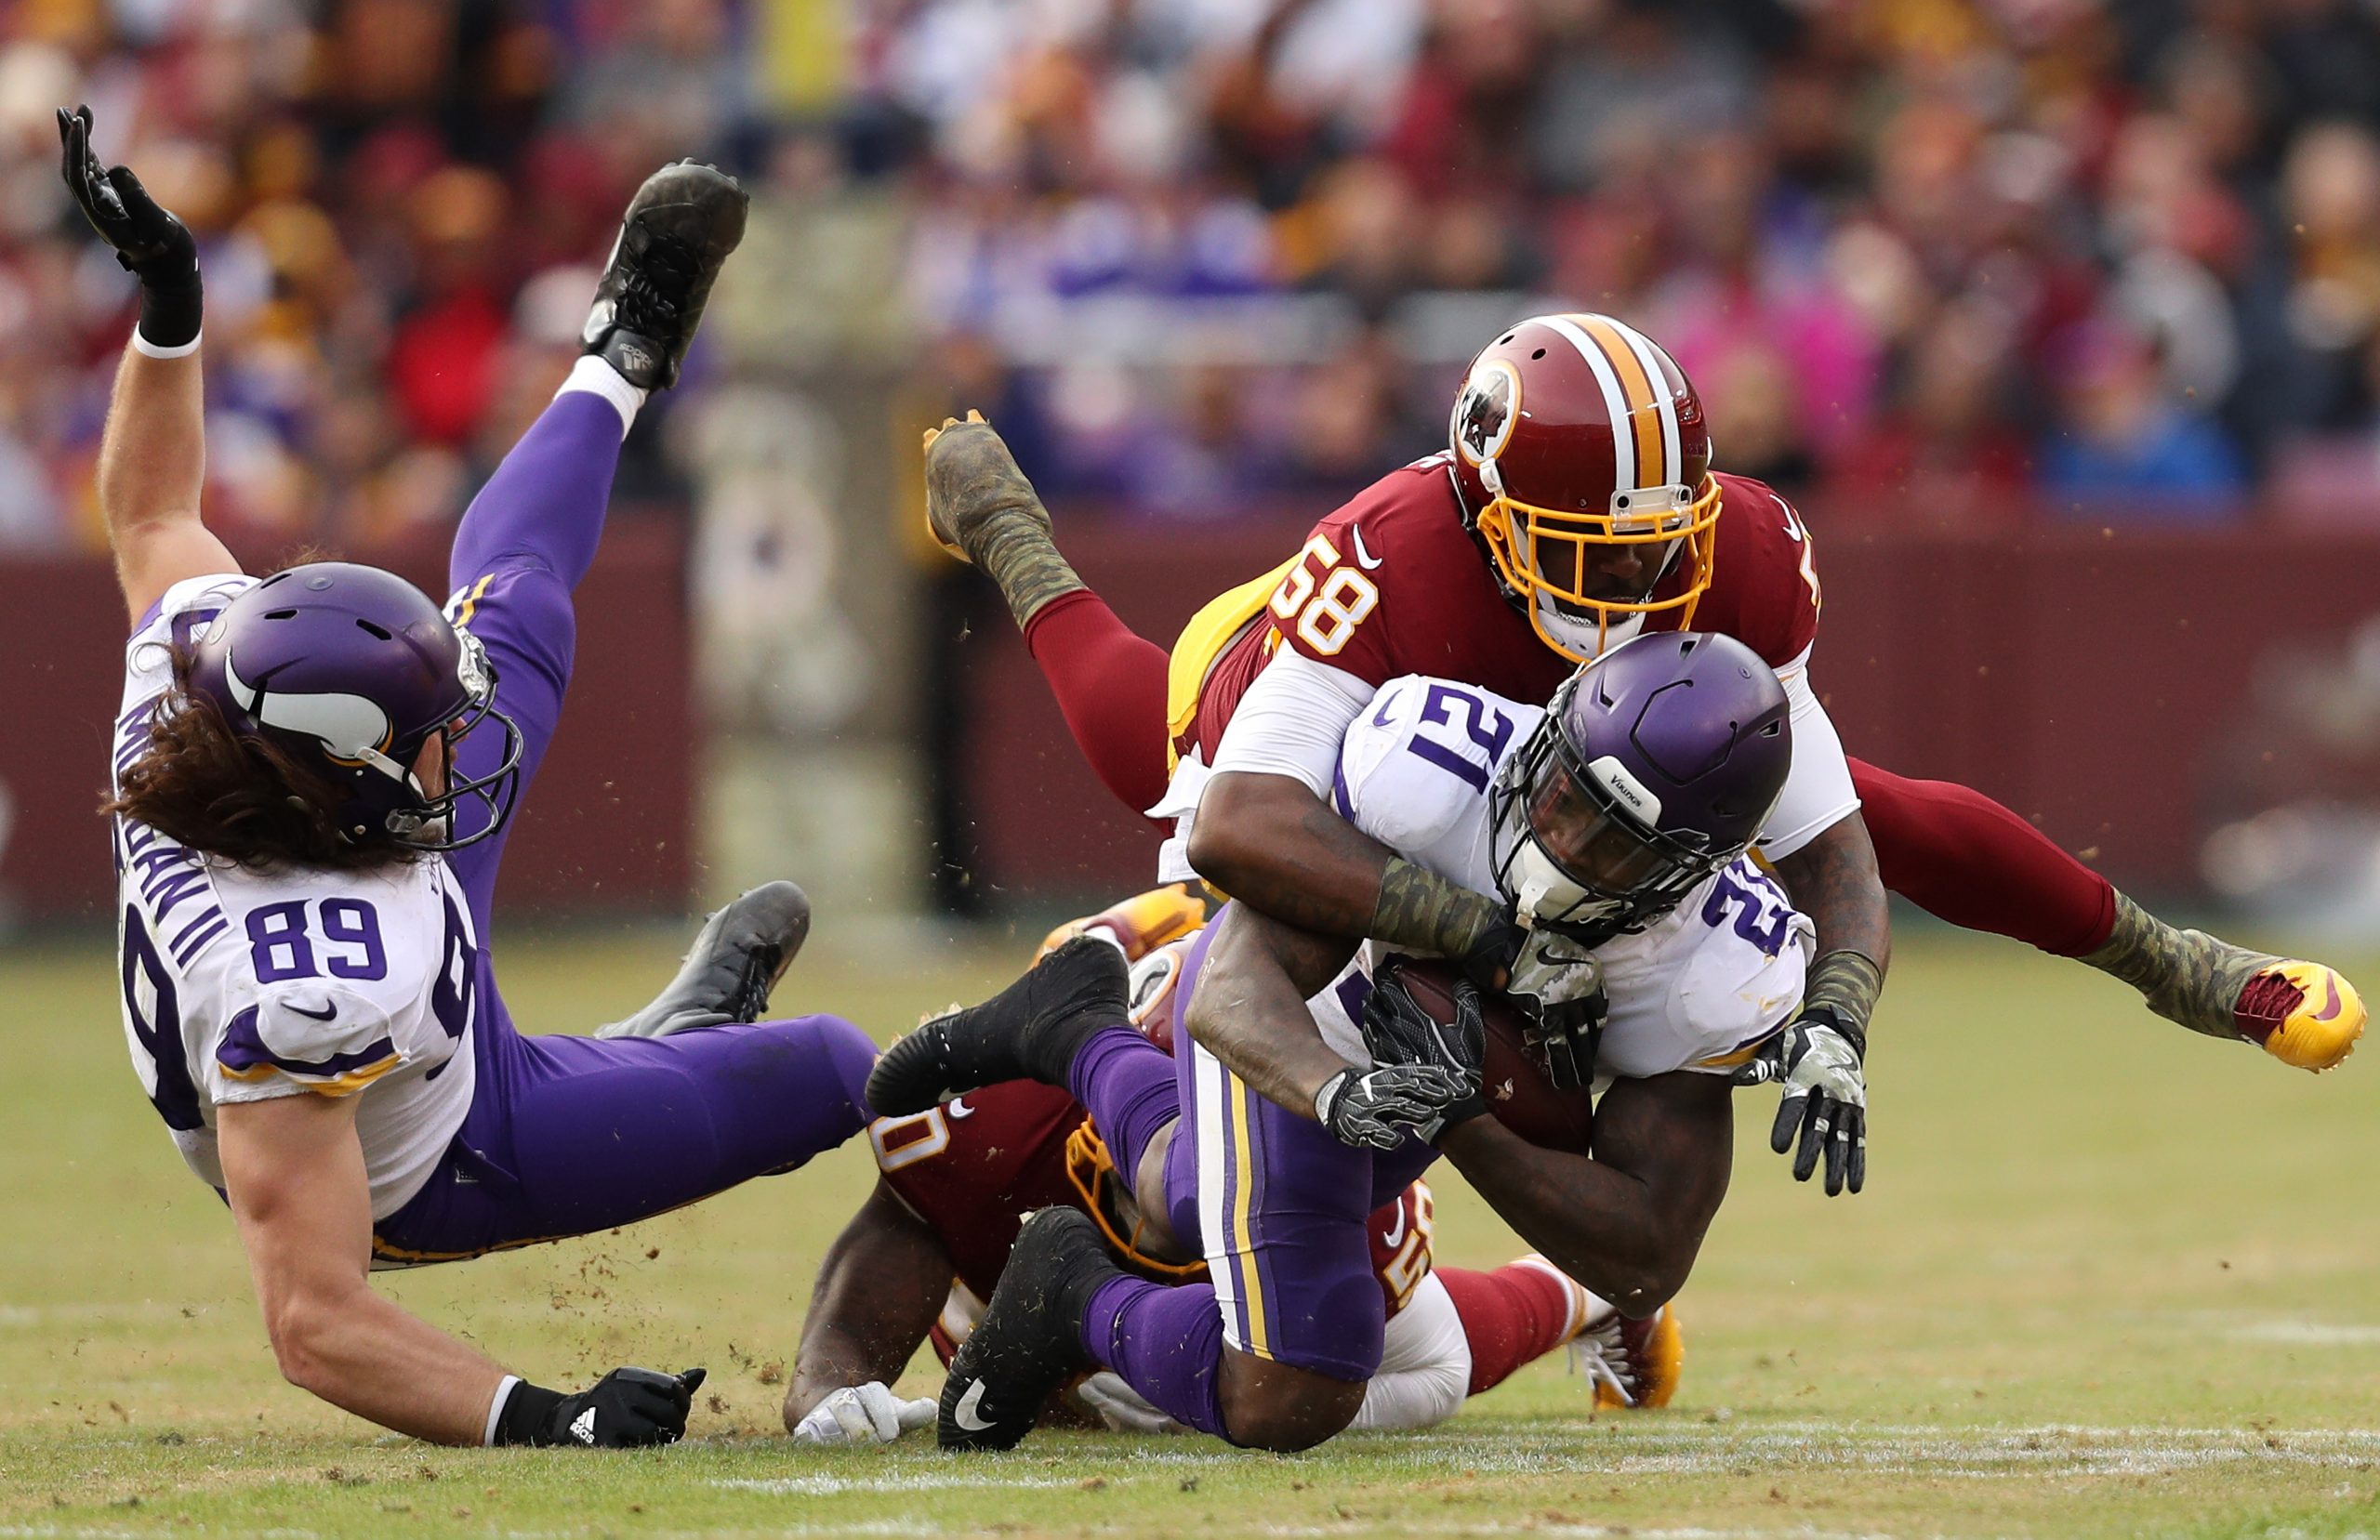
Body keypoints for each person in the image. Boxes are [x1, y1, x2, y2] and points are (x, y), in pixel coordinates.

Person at [917, 316, 2365, 1198]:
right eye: (1585, 551)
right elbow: (1239, 823)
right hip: (1357, 734)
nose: (1632, 590)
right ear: (1487, 512)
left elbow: (1839, 834)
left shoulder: (1732, 546)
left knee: (1869, 800)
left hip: (1557, 780)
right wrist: (1487, 938)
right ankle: (1018, 541)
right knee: (1144, 758)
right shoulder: (1392, 561)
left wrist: (1840, 1016)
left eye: (1656, 545)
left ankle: (2184, 966)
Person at [77, 107, 878, 1449]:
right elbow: (314, 1316)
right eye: (428, 729)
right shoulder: (308, 985)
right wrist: (542, 1416)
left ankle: (620, 360)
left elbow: (155, 513)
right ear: (342, 766)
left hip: (382, 905)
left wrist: (168, 309)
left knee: (519, 608)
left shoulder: (200, 678)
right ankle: (657, 1058)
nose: (467, 735)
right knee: (834, 1067)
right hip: (439, 1151)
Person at [878, 631, 1804, 1451]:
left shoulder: (1713, 969)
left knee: (1245, 1232)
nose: (1558, 838)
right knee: (1294, 1391)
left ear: (1690, 870)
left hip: (1413, 1096)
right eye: (1563, 793)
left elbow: (1645, 1252)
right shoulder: (1426, 770)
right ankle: (1078, 1291)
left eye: (1612, 844)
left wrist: (1462, 1117)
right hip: (1305, 1022)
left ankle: (1076, 1035)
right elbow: (1233, 987)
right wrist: (1339, 1092)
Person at [787, 889, 1673, 1446]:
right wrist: (829, 1390)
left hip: (1274, 1135)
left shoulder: (1316, 1158)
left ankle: (1577, 1295)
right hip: (1143, 1005)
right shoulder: (994, 1122)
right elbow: (896, 1228)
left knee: (1410, 1366)